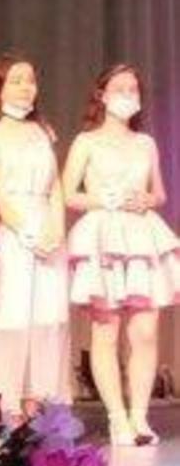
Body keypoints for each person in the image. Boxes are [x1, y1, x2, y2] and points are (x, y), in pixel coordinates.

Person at [63, 64, 179, 444]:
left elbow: (160, 193)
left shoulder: (146, 143)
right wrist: (102, 199)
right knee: (106, 330)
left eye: (133, 89)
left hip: (141, 236)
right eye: (120, 88)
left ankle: (139, 417)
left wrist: (148, 199)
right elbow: (68, 193)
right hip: (103, 237)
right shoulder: (86, 141)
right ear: (102, 95)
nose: (128, 95)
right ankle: (116, 418)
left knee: (145, 331)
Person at [0, 53, 71, 419]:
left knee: (46, 318)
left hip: (47, 229)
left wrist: (55, 229)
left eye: (30, 80)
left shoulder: (42, 130)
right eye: (16, 80)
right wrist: (24, 229)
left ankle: (38, 405)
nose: (26, 87)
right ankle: (5, 410)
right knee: (11, 316)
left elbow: (55, 186)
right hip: (10, 233)